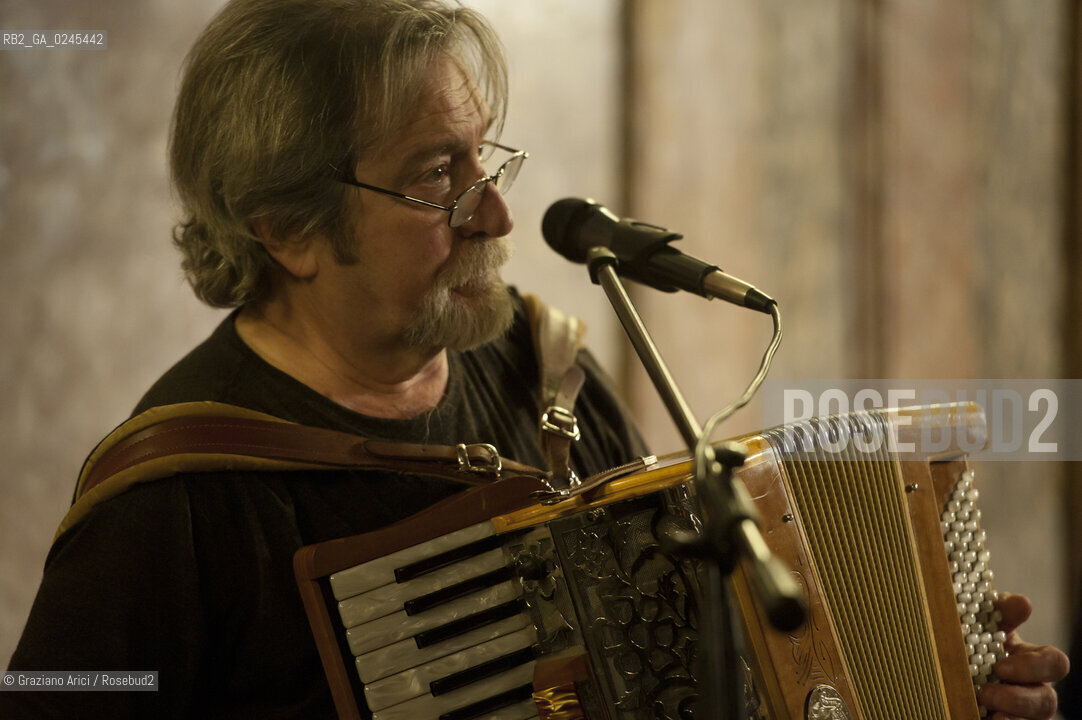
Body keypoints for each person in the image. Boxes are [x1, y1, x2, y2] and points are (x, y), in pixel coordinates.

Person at [0, 0, 1068, 718]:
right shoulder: (172, 505)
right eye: (434, 176)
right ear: (286, 227)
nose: (496, 210)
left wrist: (935, 684)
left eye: (482, 155)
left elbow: (691, 649)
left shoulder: (537, 368)